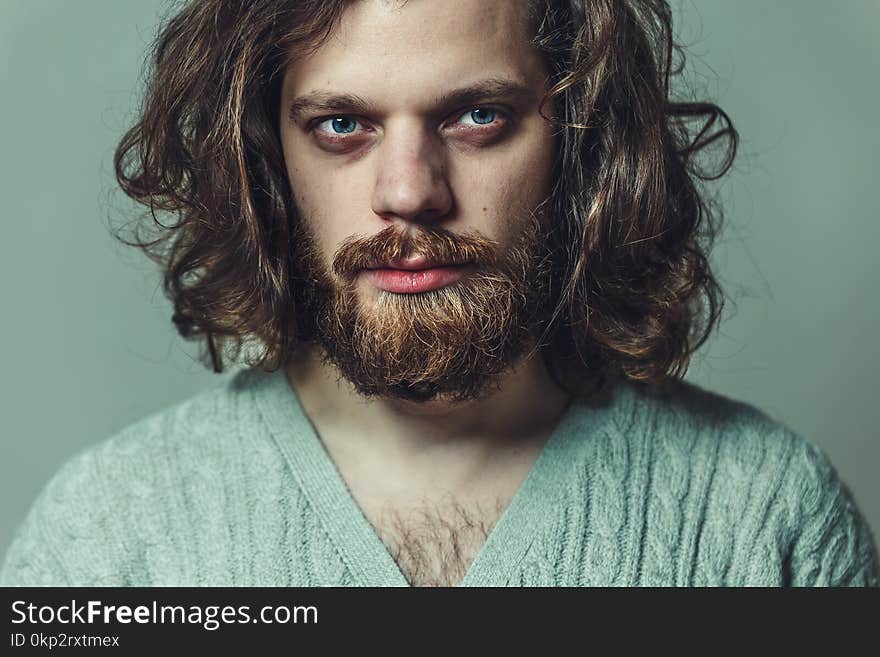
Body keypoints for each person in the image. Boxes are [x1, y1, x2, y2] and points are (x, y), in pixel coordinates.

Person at [2, 0, 877, 588]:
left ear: (582, 141)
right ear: (266, 155)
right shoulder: (107, 542)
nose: (410, 192)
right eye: (342, 125)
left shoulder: (768, 522)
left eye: (476, 116)